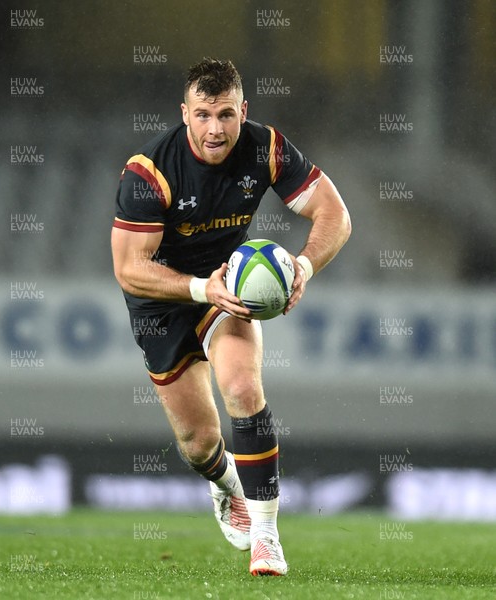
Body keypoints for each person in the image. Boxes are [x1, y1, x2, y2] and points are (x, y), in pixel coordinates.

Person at [111, 57, 351, 576]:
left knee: (242, 389)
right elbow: (130, 269)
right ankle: (226, 488)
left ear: (244, 110)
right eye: (202, 115)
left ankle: (267, 538)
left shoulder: (265, 148)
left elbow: (335, 213)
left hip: (232, 290)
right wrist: (201, 289)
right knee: (199, 444)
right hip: (163, 303)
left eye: (225, 114)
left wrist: (304, 265)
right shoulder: (149, 172)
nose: (214, 129)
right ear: (184, 113)